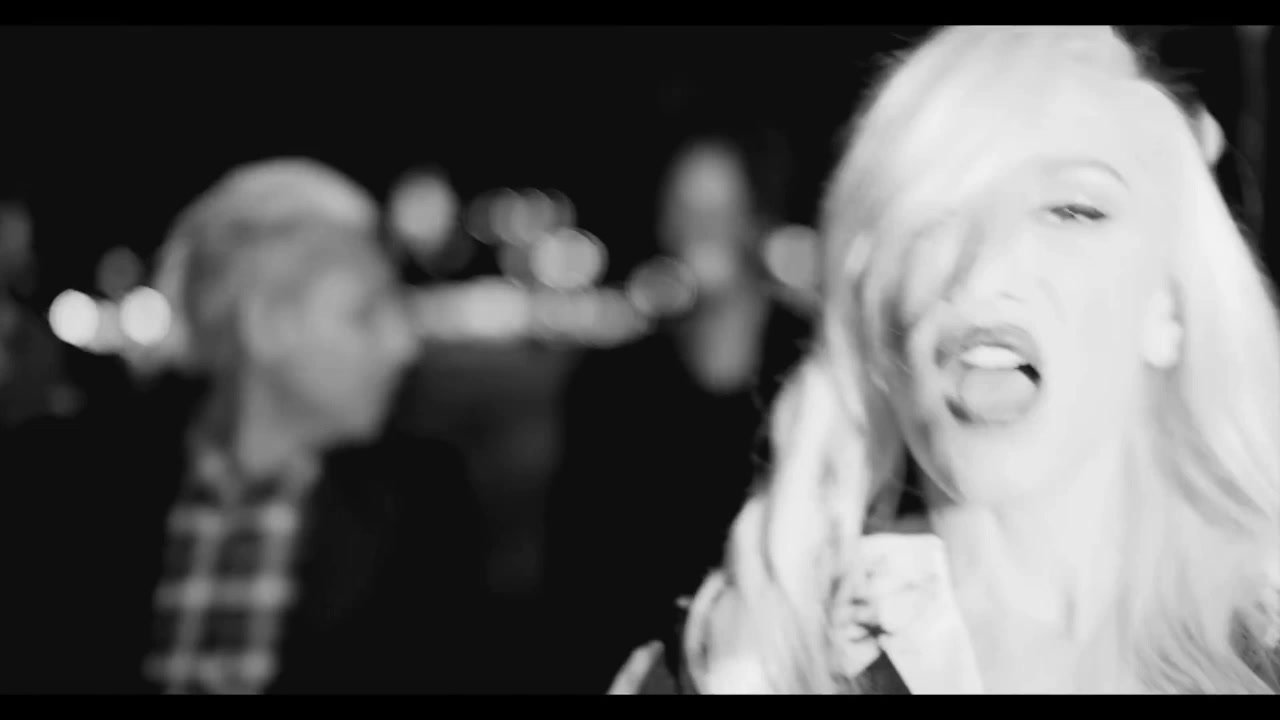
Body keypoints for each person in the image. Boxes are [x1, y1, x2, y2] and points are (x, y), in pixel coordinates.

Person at [612, 26, 1280, 694]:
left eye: (1072, 209)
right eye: (934, 215)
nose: (983, 269)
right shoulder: (738, 669)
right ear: (877, 314)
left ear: (1170, 308)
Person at [0, 158, 488, 694]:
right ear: (261, 325)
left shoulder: (425, 503)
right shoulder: (56, 483)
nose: (403, 344)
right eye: (364, 314)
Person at [546, 128, 811, 693]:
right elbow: (576, 577)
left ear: (757, 217)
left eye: (720, 208)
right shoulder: (610, 388)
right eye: (684, 208)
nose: (700, 228)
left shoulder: (817, 377)